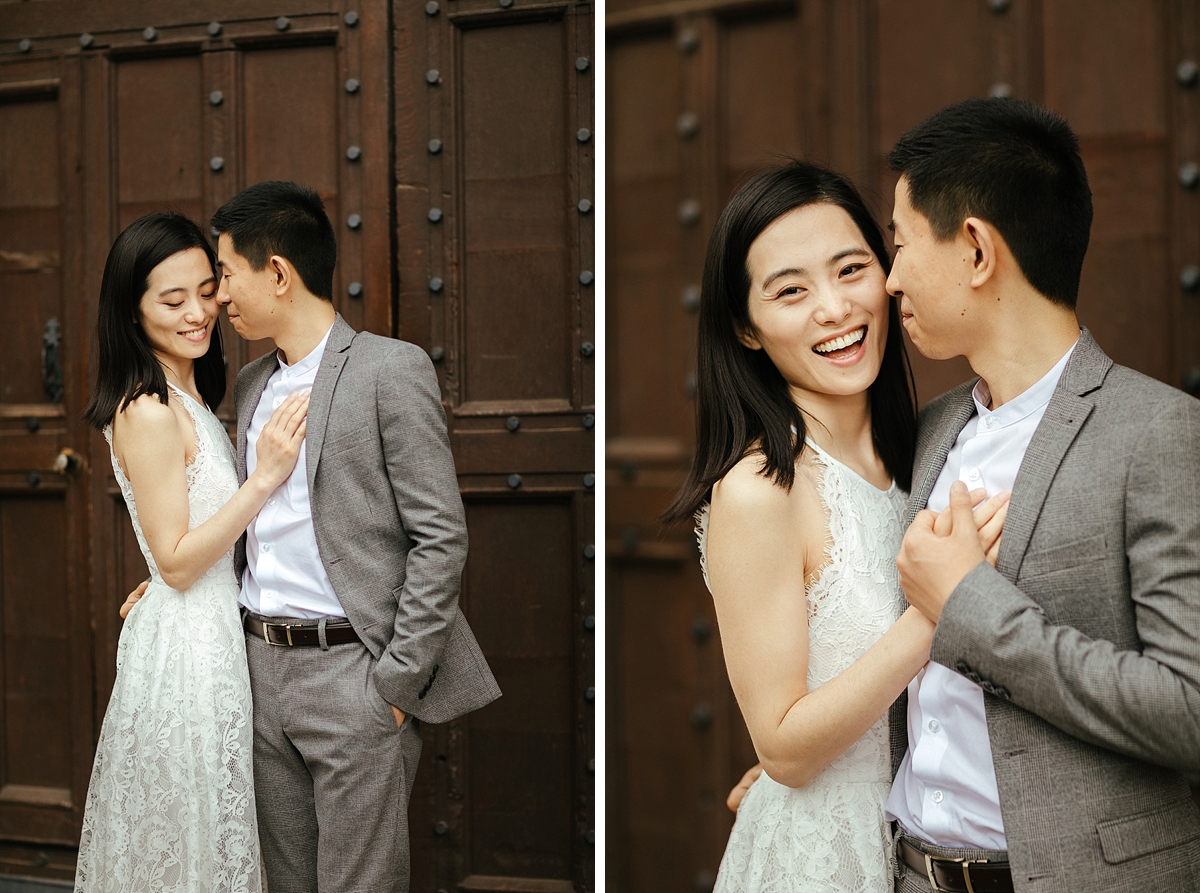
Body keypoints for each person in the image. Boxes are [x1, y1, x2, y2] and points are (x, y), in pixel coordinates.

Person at [665, 162, 1008, 892]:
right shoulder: (760, 489)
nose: (834, 307)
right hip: (818, 861)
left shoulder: (930, 451)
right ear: (746, 329)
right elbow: (784, 746)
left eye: (851, 270)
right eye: (790, 290)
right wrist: (936, 613)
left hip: (921, 847)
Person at [885, 98, 1200, 891]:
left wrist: (970, 607)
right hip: (907, 871)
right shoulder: (928, 432)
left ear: (977, 249)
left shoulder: (1158, 431)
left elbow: (1192, 705)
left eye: (900, 243)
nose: (890, 279)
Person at [209, 180, 499, 893]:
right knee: (285, 882)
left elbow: (440, 536)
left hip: (353, 673)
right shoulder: (248, 385)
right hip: (258, 667)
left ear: (276, 271)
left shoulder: (387, 369)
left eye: (224, 273)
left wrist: (394, 685)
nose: (219, 296)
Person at [76, 212, 309, 893]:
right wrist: (264, 476)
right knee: (187, 842)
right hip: (187, 657)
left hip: (206, 631)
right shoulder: (146, 408)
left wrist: (163, 571)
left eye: (206, 290)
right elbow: (178, 559)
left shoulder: (191, 396)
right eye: (171, 300)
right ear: (132, 309)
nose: (197, 312)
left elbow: (174, 547)